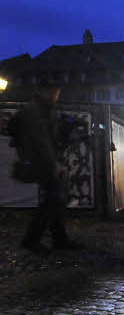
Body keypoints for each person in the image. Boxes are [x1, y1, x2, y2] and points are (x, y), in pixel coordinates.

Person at [14, 78, 82, 254]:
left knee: (54, 200)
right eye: (54, 92)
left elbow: (50, 138)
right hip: (41, 161)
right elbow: (41, 140)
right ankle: (32, 240)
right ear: (44, 92)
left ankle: (59, 239)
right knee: (52, 201)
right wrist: (53, 163)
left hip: (45, 160)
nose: (56, 96)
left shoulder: (43, 110)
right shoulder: (35, 112)